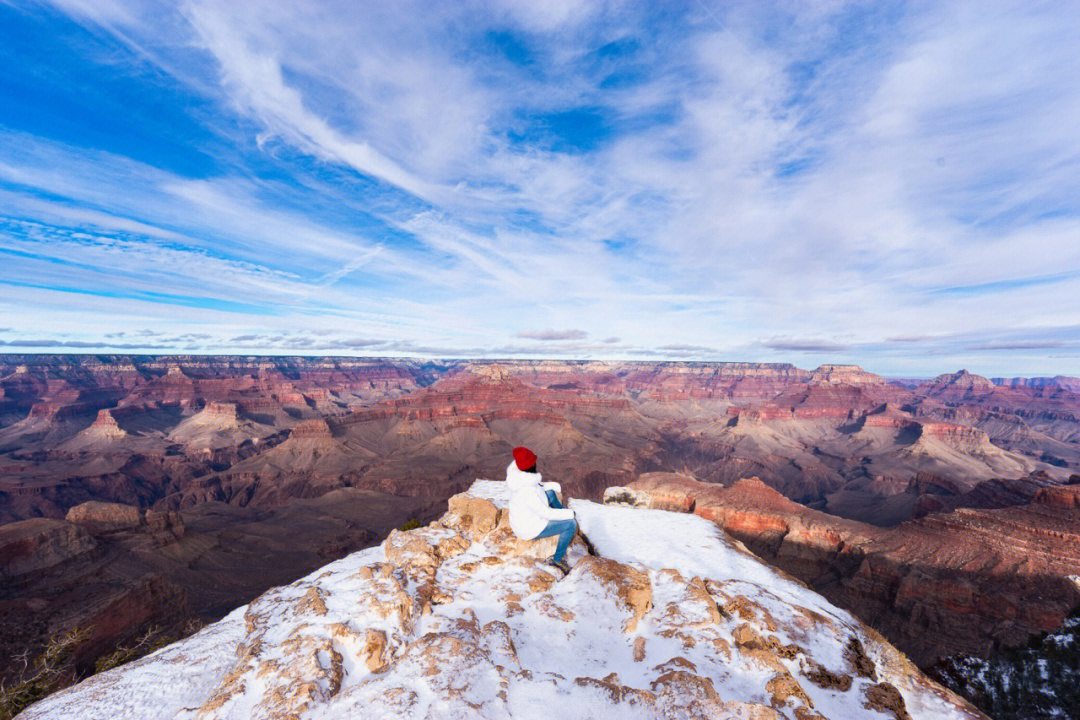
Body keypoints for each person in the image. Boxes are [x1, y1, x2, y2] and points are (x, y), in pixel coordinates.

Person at [505, 446, 576, 573]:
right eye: (534, 461)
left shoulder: (520, 478)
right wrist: (570, 514)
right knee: (571, 524)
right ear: (531, 465)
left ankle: (562, 514)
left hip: (525, 520)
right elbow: (546, 513)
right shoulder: (527, 492)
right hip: (529, 529)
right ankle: (557, 560)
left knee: (549, 492)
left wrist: (552, 488)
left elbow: (538, 488)